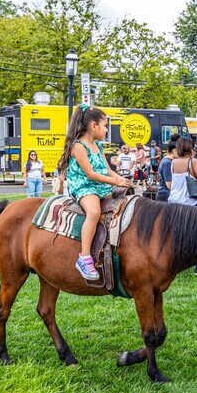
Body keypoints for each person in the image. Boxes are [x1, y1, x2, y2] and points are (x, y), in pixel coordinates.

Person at [56, 106, 130, 280]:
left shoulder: (97, 145)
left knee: (126, 203)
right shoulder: (79, 146)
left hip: (100, 185)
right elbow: (90, 173)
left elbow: (107, 170)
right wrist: (114, 181)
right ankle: (84, 257)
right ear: (93, 126)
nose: (106, 130)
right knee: (94, 212)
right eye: (105, 126)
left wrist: (120, 178)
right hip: (85, 186)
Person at [169, 137, 197, 275]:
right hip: (191, 202)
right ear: (190, 148)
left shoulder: (173, 162)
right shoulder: (193, 162)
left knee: (178, 236)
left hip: (174, 203)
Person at [155, 134, 181, 202]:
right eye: (181, 151)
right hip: (165, 195)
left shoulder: (165, 160)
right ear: (175, 151)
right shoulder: (168, 163)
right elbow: (169, 185)